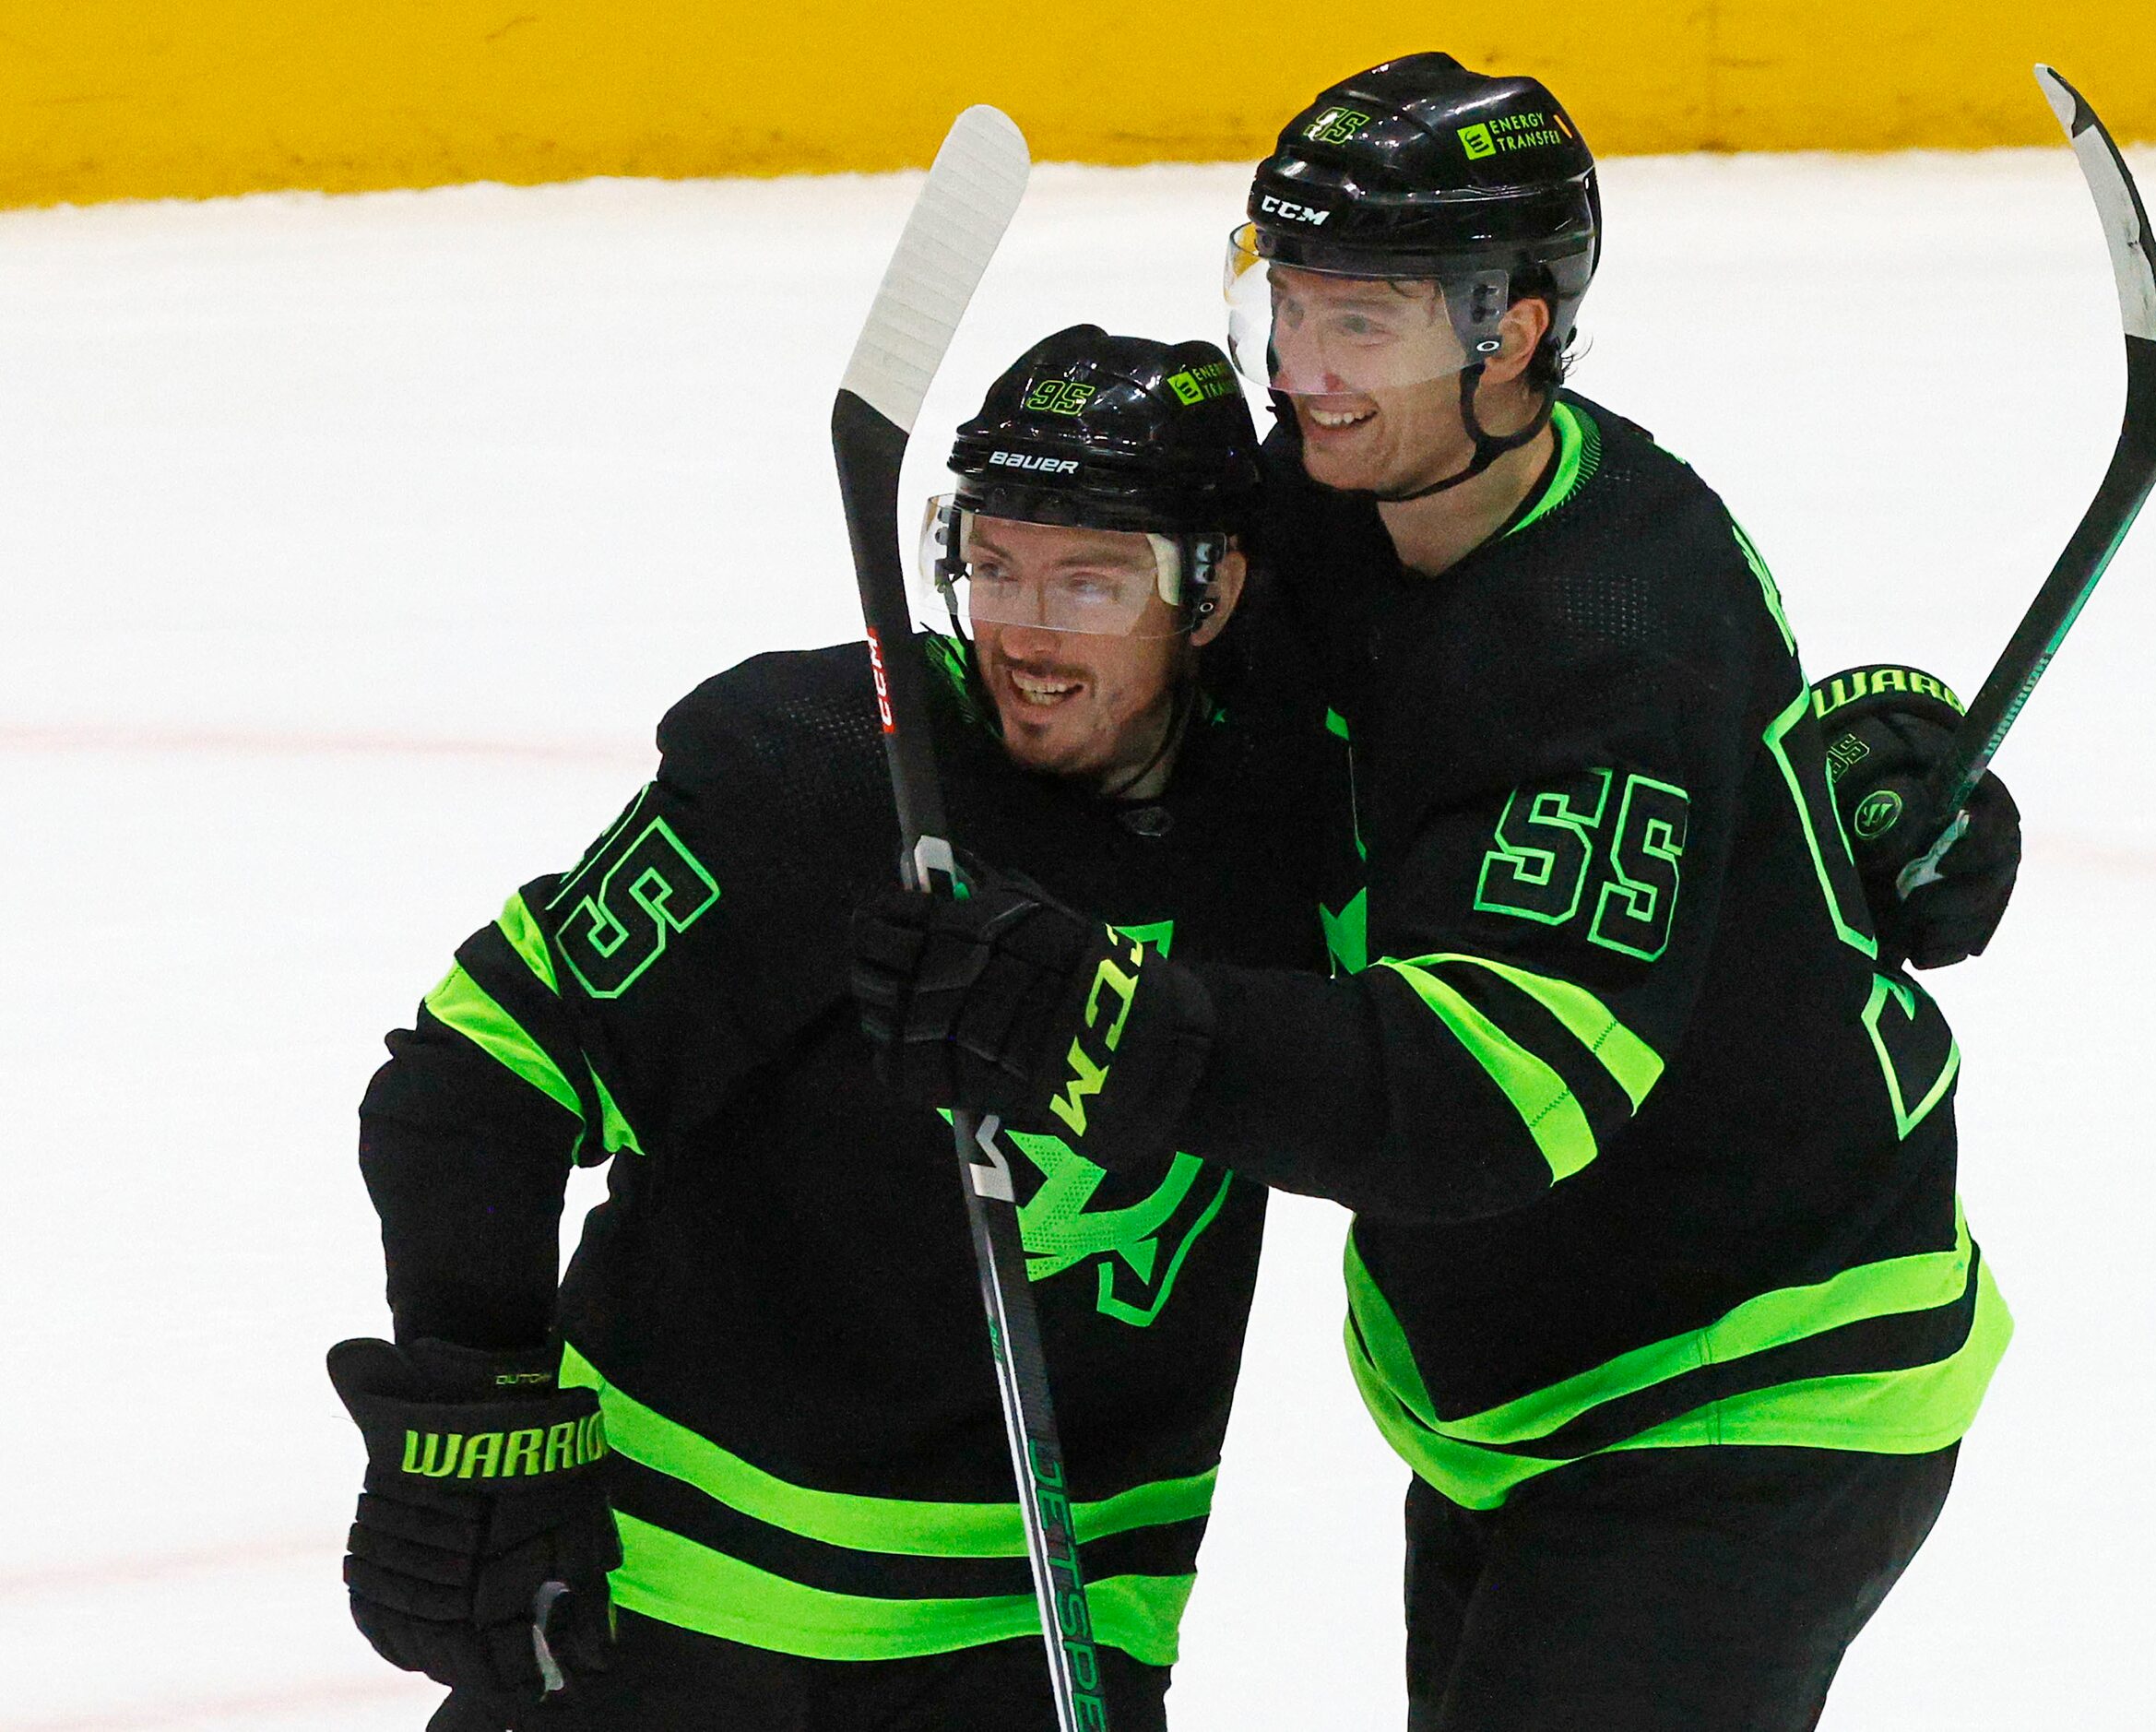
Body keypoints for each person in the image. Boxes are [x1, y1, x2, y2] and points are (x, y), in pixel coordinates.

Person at [853, 53, 2025, 1732]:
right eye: (1291, 305)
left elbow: (1488, 1101)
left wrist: (1104, 1027)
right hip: (1508, 1372)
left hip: (1750, 1369)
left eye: (1364, 326)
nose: (1304, 376)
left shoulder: (1616, 629)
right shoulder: (1329, 507)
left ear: (1513, 331)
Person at [330, 326, 1342, 1731]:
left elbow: (1414, 1100)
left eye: (1093, 581)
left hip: (1043, 1621)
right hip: (667, 1603)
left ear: (1214, 589)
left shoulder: (1304, 819)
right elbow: (473, 1084)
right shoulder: (821, 774)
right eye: (996, 566)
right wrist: (478, 1412)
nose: (1029, 633)